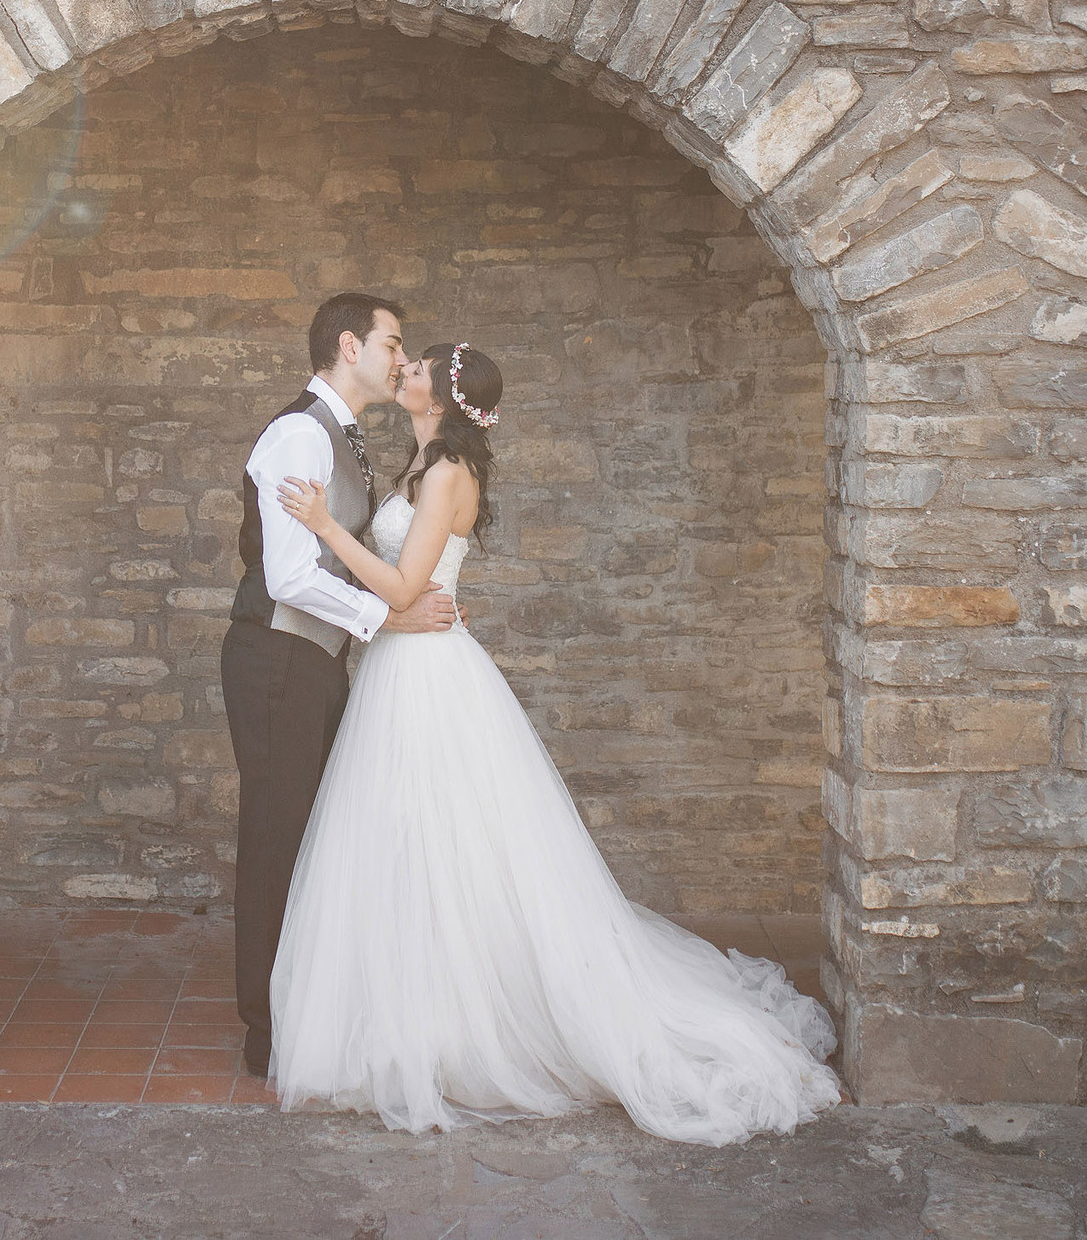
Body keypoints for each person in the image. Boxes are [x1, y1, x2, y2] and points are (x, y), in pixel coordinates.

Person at [267, 343, 842, 1145]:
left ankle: (466, 1024)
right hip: (401, 667)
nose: (407, 372)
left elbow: (403, 589)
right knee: (408, 845)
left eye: (422, 367)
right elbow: (400, 586)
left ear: (450, 396)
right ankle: (415, 1010)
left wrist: (325, 524)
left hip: (428, 676)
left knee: (450, 846)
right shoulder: (421, 463)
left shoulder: (445, 475)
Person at [220, 291, 460, 1081]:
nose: (401, 358)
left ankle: (301, 999)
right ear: (350, 346)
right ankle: (266, 1026)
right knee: (276, 835)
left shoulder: (345, 437)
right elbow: (289, 573)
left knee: (308, 836)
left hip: (314, 662)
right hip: (278, 658)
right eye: (394, 343)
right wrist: (386, 621)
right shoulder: (299, 432)